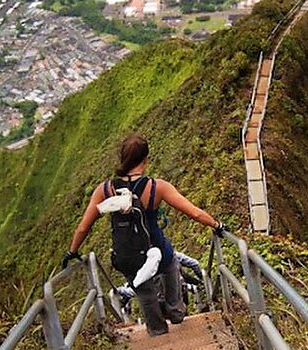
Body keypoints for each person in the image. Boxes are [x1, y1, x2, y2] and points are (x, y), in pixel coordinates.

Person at [63, 133, 226, 336]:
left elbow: (83, 227)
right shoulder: (157, 187)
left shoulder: (105, 189)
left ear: (122, 158)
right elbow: (194, 212)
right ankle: (174, 310)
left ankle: (157, 328)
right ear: (145, 159)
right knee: (171, 273)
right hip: (160, 252)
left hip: (128, 257)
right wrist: (217, 225)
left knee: (146, 295)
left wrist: (72, 251)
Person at [109, 250, 205, 322]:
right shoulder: (170, 254)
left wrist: (120, 291)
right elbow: (194, 263)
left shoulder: (142, 266)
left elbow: (136, 289)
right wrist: (201, 278)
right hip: (179, 294)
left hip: (157, 302)